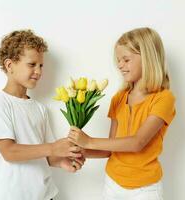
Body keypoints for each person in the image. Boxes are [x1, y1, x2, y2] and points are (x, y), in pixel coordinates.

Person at [68, 27, 176, 200]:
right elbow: (109, 149)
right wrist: (82, 151)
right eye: (118, 60)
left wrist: (88, 141)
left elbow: (137, 143)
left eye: (126, 59)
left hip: (145, 190)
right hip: (112, 184)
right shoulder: (119, 98)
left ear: (148, 59)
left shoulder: (164, 99)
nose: (120, 65)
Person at [0, 29, 84, 200]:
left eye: (41, 65)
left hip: (47, 195)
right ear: (10, 65)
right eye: (32, 64)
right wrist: (54, 148)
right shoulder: (0, 104)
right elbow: (9, 152)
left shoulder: (39, 109)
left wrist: (60, 161)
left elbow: (42, 155)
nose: (38, 71)